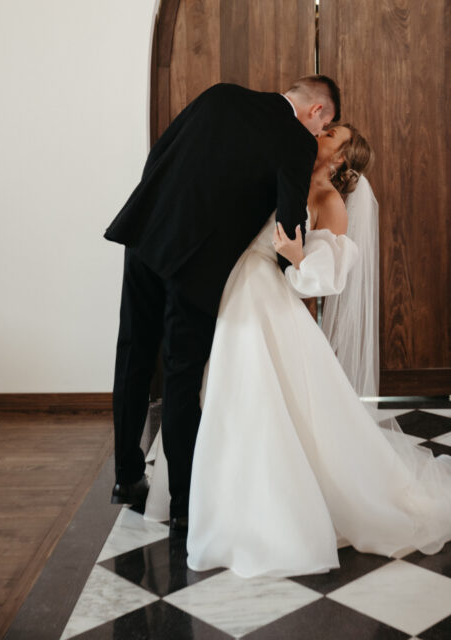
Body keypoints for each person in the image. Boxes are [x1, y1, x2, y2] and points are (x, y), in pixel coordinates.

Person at [144, 123, 451, 575]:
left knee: (258, 395)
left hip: (265, 299)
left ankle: (262, 513)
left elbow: (327, 279)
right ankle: (206, 496)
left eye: (331, 132)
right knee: (224, 395)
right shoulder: (283, 170)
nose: (319, 132)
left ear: (341, 158)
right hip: (232, 289)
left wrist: (294, 255)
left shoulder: (329, 202)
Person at [103, 74, 341, 531]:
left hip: (147, 233)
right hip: (197, 266)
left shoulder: (220, 94)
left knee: (133, 353)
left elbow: (160, 152)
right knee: (180, 374)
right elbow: (289, 226)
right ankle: (184, 503)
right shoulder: (296, 139)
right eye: (322, 128)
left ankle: (127, 476)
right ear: (318, 113)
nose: (317, 136)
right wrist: (295, 268)